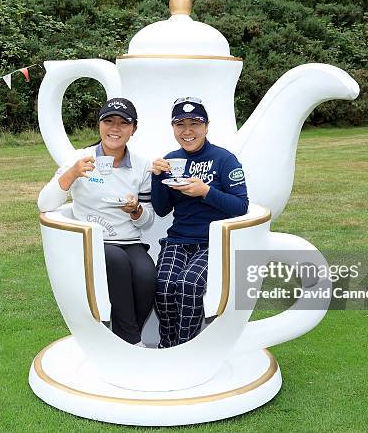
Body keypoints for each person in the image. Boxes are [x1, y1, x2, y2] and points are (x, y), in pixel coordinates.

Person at [38, 98, 156, 346]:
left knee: (147, 276)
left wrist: (135, 210)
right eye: (109, 121)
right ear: (99, 125)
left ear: (134, 129)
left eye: (124, 123)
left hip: (129, 241)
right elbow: (44, 203)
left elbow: (146, 221)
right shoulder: (80, 158)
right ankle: (133, 343)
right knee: (116, 261)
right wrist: (72, 174)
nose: (115, 128)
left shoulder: (142, 165)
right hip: (92, 240)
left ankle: (121, 337)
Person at [150, 97, 249, 348]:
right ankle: (168, 345)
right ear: (173, 128)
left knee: (188, 284)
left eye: (195, 123)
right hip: (178, 241)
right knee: (162, 286)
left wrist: (206, 192)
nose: (187, 131)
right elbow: (162, 210)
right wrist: (157, 178)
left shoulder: (225, 159)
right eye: (180, 124)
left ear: (206, 126)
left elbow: (241, 206)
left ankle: (187, 347)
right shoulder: (171, 161)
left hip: (212, 243)